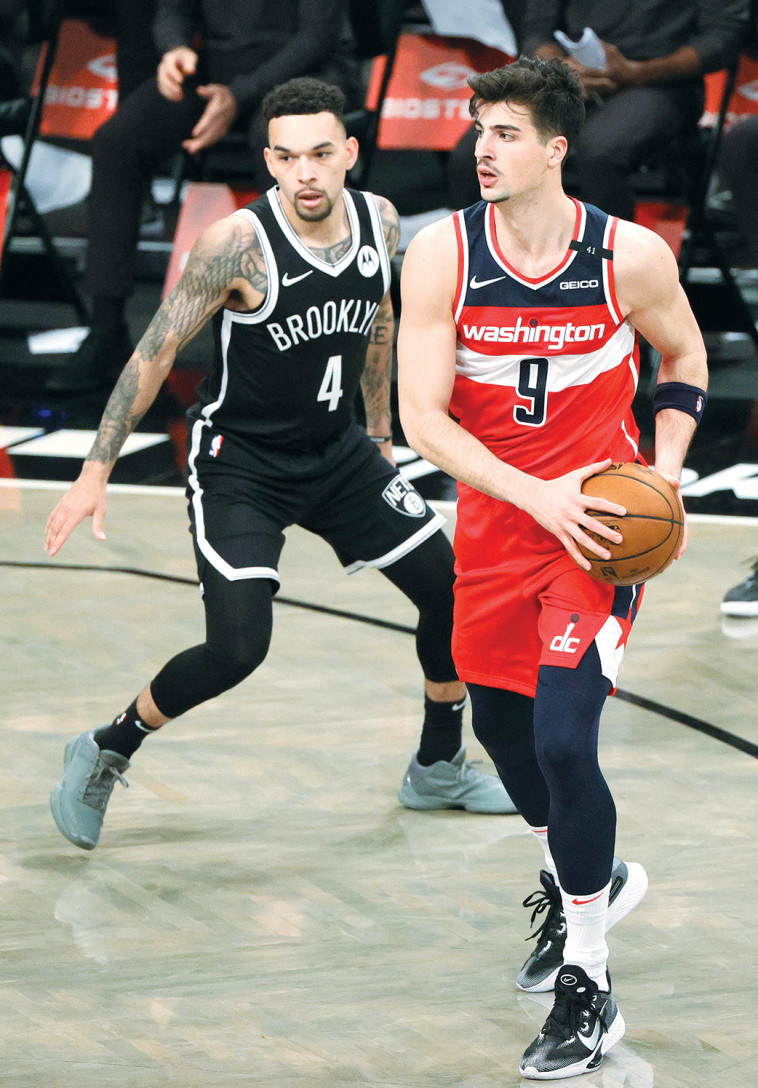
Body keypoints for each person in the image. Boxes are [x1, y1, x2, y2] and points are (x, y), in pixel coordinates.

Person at [45, 76, 516, 853]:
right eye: (289, 157)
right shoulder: (235, 245)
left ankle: (438, 764)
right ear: (268, 161)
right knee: (238, 648)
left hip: (338, 453)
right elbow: (156, 350)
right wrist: (97, 469)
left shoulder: (379, 220)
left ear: (349, 153)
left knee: (452, 591)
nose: (306, 173)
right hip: (242, 466)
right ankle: (107, 746)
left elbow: (377, 318)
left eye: (321, 154)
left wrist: (377, 432)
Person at [397, 57, 708, 1079]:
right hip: (499, 528)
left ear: (555, 149)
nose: (482, 149)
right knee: (503, 736)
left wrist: (661, 482)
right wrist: (533, 495)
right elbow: (420, 419)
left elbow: (684, 360)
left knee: (564, 741)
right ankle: (588, 878)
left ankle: (589, 980)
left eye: (506, 133)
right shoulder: (442, 253)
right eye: (478, 130)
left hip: (596, 534)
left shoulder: (627, 256)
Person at [44, 0, 362, 395]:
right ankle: (106, 329)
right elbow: (174, 9)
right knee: (116, 142)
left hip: (309, 73)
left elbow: (318, 35)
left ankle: (308, 337)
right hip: (219, 74)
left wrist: (239, 95)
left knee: (279, 140)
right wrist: (175, 48)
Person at [447, 0, 747, 213]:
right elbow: (535, 30)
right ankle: (481, 266)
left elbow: (723, 37)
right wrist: (560, 66)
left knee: (600, 152)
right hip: (567, 78)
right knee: (473, 154)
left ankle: (608, 273)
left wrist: (641, 72)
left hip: (661, 82)